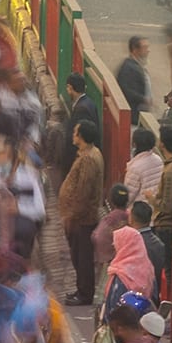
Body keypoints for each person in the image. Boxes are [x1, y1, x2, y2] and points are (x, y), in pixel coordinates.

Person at [59, 119, 104, 304]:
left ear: (81, 136)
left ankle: (84, 294)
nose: (73, 135)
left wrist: (72, 216)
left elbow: (83, 192)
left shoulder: (88, 159)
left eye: (76, 132)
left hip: (83, 219)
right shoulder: (90, 154)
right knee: (79, 255)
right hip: (81, 217)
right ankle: (81, 290)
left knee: (82, 258)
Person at [124, 124, 163, 206]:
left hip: (139, 210)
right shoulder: (159, 160)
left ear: (134, 144)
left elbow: (128, 196)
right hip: (153, 206)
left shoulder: (135, 167)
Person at [116, 35, 152, 116]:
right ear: (135, 50)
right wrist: (144, 99)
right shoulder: (128, 68)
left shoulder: (134, 65)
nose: (148, 50)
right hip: (134, 113)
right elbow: (126, 90)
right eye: (145, 47)